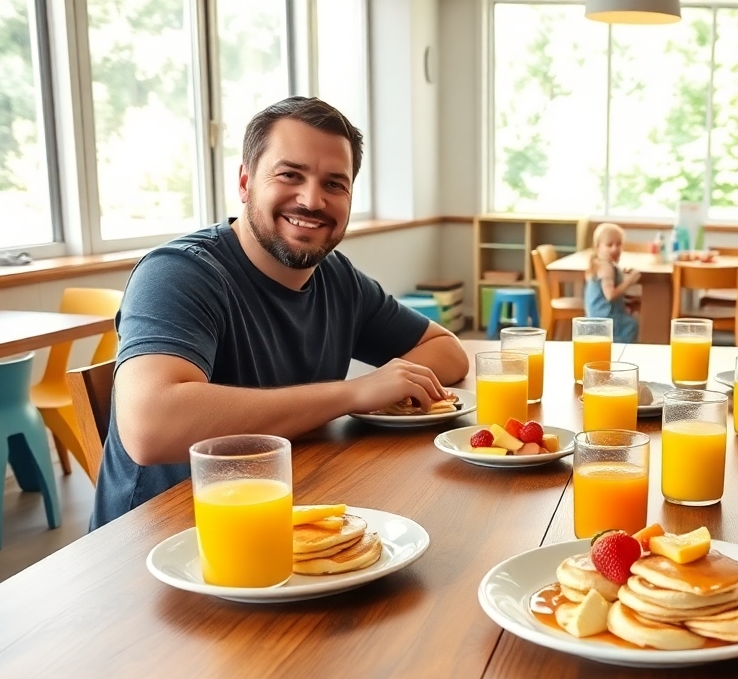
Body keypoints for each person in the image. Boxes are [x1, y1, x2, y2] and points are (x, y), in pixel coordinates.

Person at [94, 97, 470, 528]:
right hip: (162, 541)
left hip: (294, 515)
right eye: (290, 174)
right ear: (245, 182)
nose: (312, 201)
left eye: (335, 184)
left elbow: (446, 351)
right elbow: (150, 427)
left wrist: (385, 387)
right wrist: (353, 393)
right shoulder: (180, 273)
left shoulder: (336, 277)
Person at [583, 222, 640, 343]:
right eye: (609, 245)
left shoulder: (601, 263)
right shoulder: (606, 267)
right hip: (604, 318)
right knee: (631, 324)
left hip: (594, 315)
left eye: (619, 244)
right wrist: (629, 281)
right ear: (598, 247)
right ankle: (620, 352)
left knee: (629, 313)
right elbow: (610, 295)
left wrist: (621, 275)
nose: (615, 248)